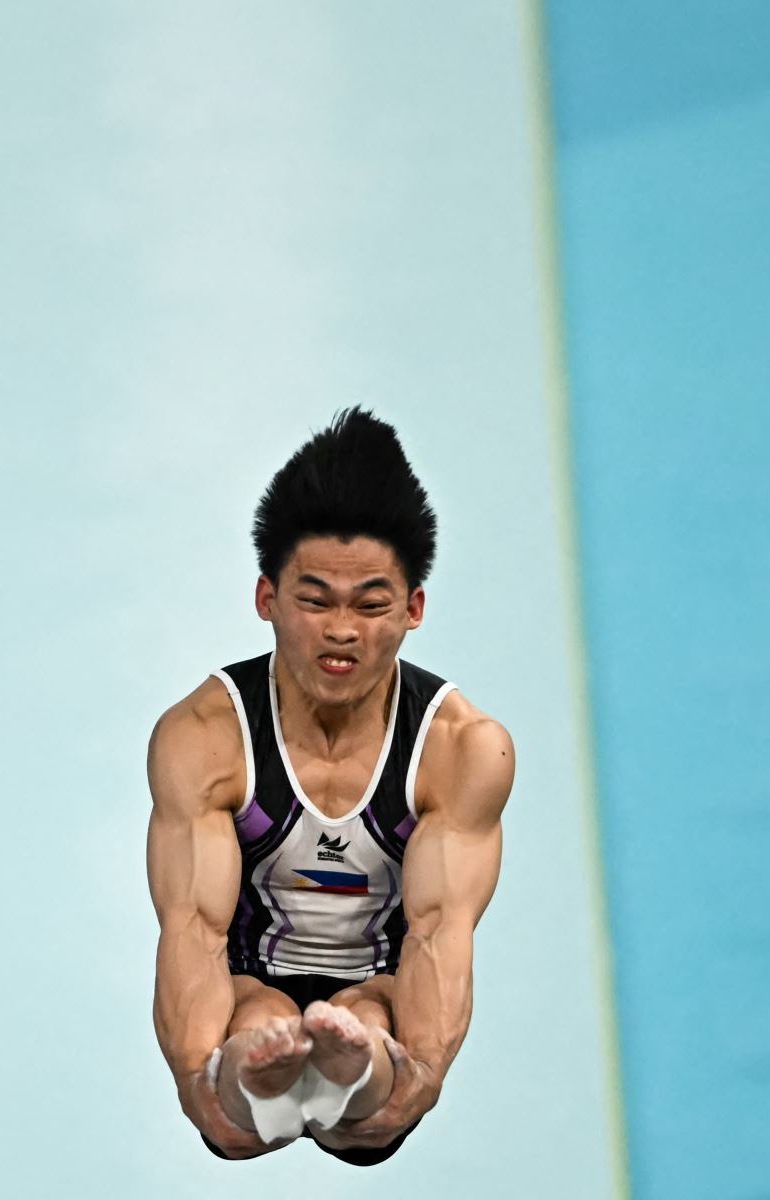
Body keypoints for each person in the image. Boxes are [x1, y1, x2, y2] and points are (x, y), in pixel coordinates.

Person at [146, 408, 513, 1165]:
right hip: (250, 983)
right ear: (266, 599)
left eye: (371, 604)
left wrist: (408, 1087)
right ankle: (268, 1067)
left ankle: (348, 1066)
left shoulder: (462, 750)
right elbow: (193, 933)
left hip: (383, 989)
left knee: (368, 1017)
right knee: (256, 1018)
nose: (341, 630)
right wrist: (207, 1093)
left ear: (413, 609)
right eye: (314, 600)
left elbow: (441, 936)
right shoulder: (206, 737)